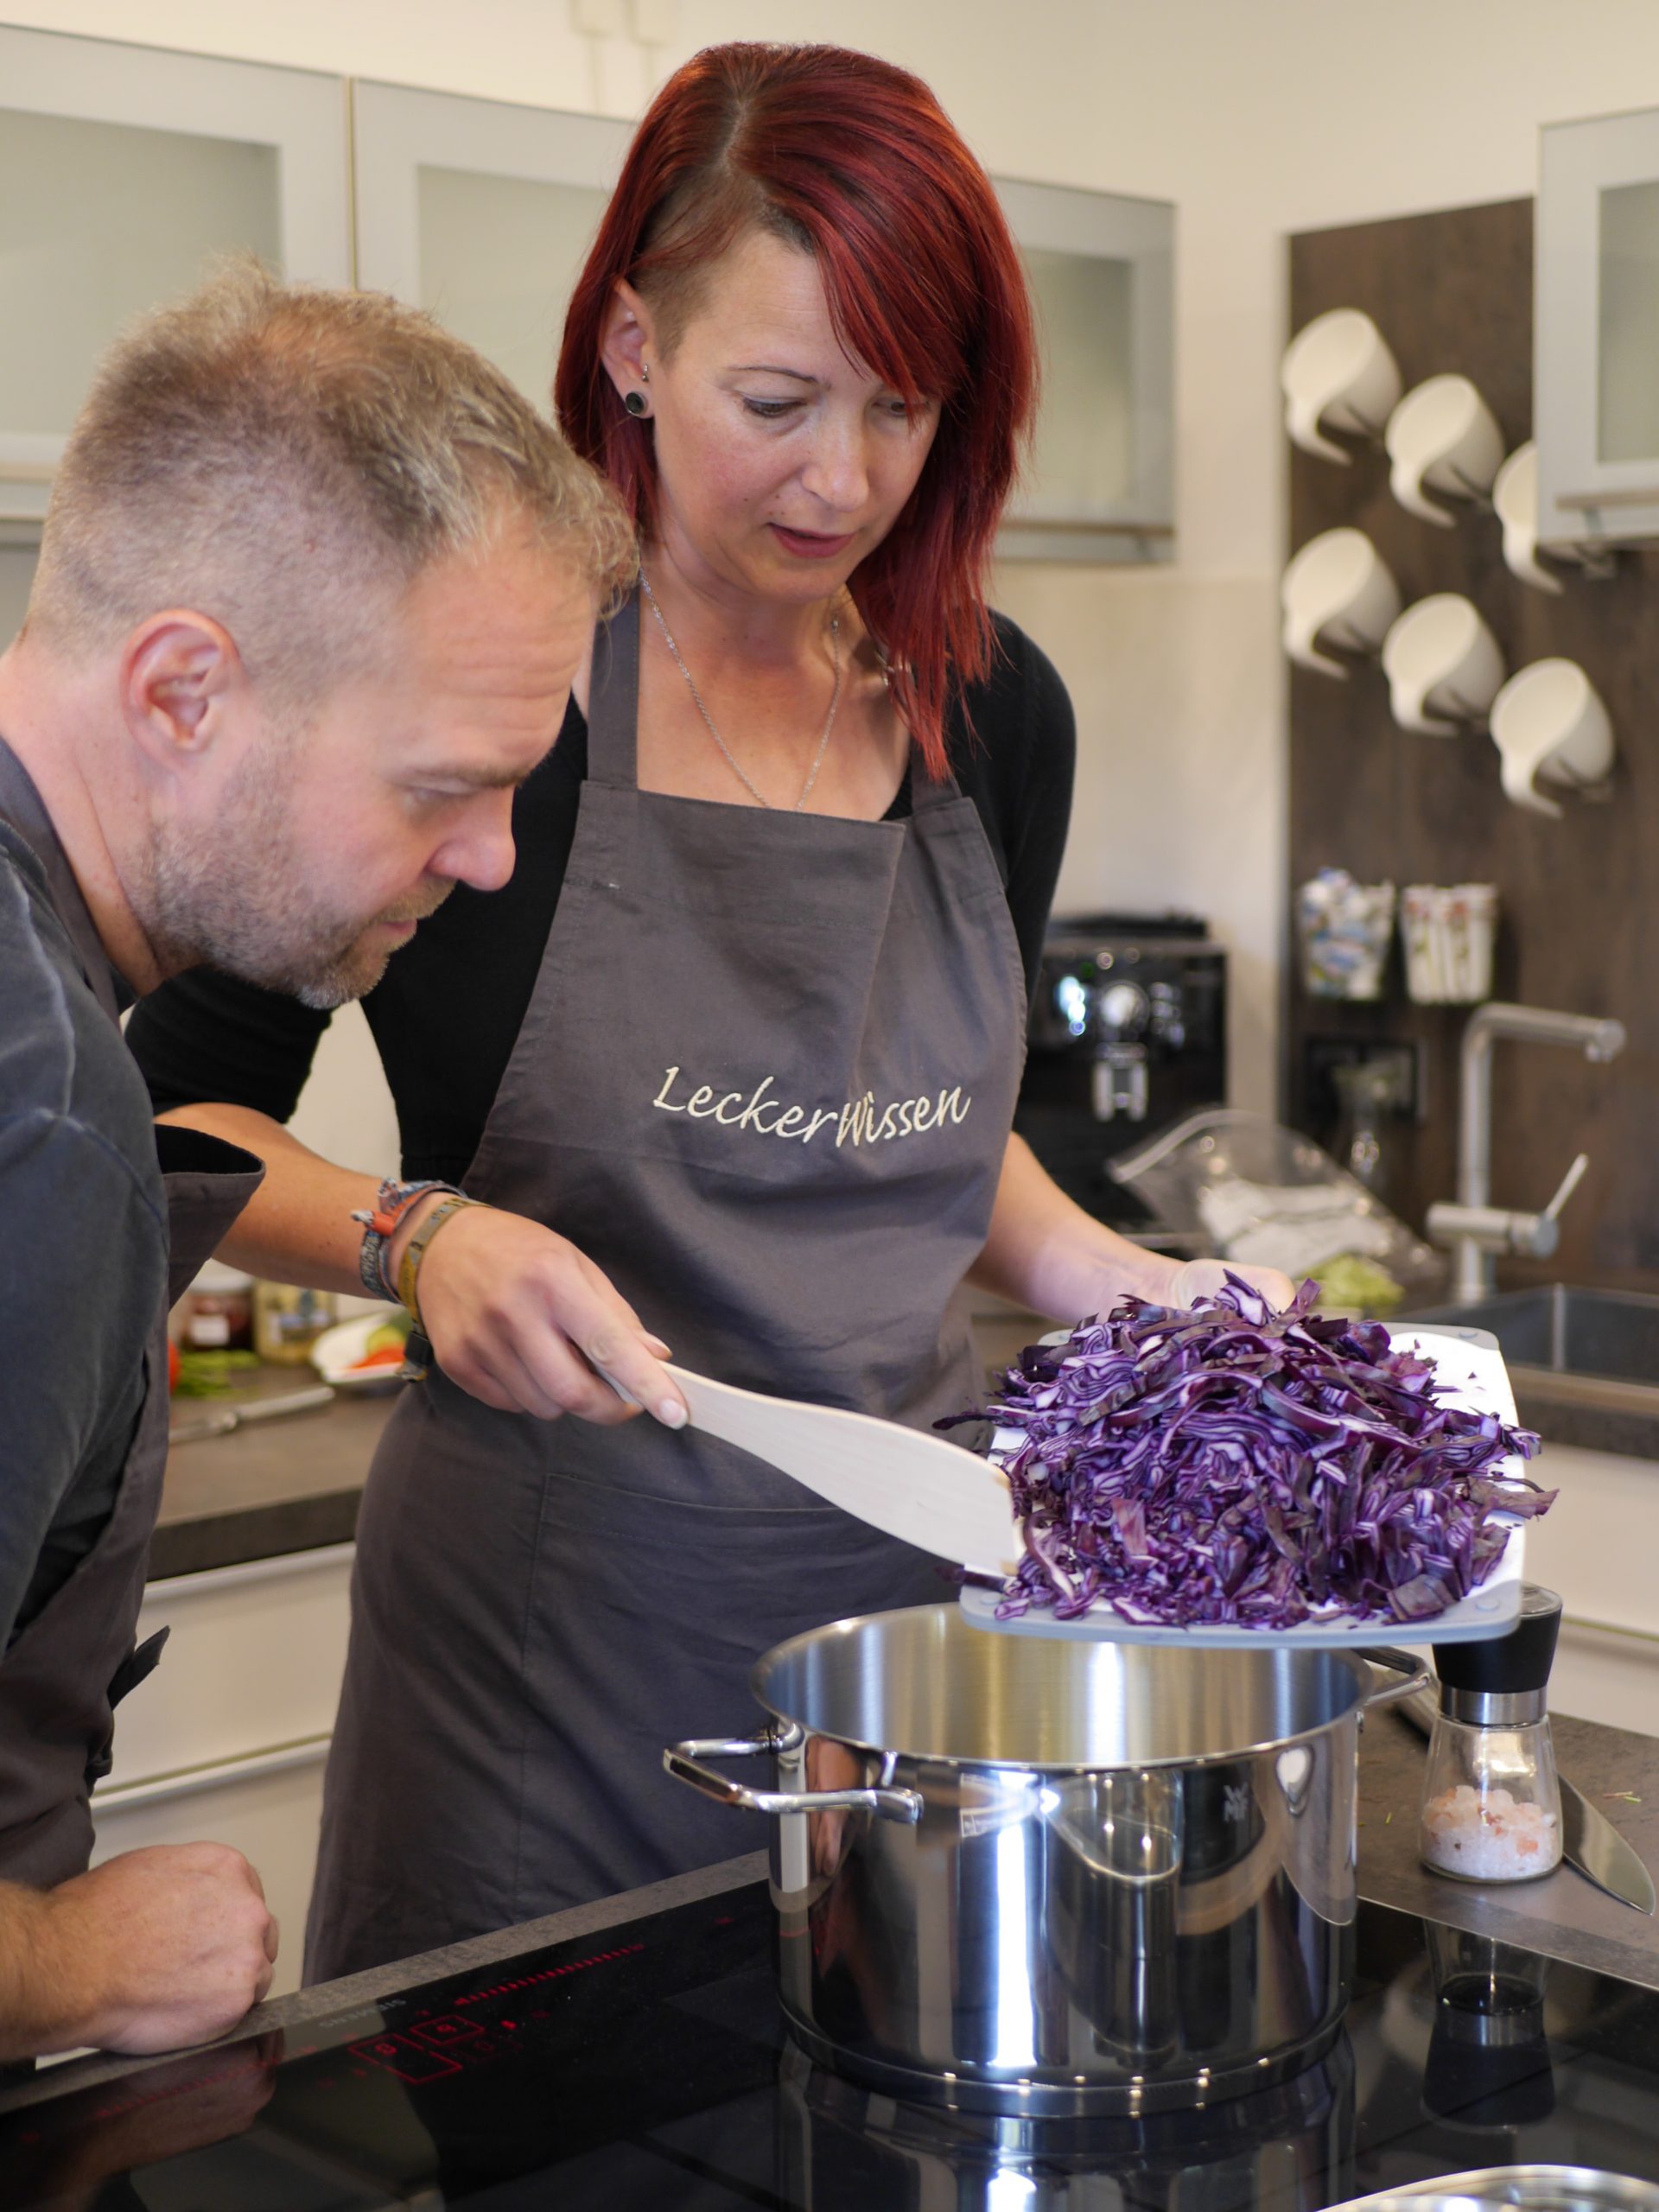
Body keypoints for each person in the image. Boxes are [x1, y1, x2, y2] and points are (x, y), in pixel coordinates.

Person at [127, 44, 1290, 1983]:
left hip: (917, 1662)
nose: (845, 478)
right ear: (633, 349)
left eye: (902, 405)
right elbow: (171, 1127)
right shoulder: (499, 703)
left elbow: (925, 1114)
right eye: (779, 401)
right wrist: (423, 1239)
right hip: (550, 1686)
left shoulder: (993, 711)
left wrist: (1108, 1273)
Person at [0, 264, 632, 2056]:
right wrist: (75, 1962)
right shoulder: (43, 1112)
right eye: (442, 785)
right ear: (184, 691)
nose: (493, 858)